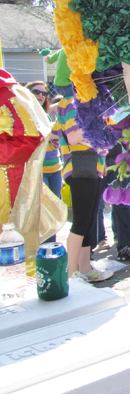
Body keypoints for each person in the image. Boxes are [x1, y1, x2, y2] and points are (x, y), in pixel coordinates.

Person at [1, 69, 66, 276]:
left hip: (10, 187)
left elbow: (32, 137)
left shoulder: (11, 95)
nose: (41, 96)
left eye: (43, 93)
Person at [52, 87, 112, 282]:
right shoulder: (72, 102)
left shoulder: (83, 102)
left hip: (91, 167)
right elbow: (74, 136)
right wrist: (103, 134)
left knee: (87, 221)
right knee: (80, 222)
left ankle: (84, 268)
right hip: (80, 168)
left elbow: (54, 134)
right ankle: (71, 275)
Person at [26, 81, 63, 201]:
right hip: (38, 171)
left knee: (55, 207)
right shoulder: (25, 116)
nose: (41, 95)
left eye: (44, 93)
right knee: (44, 208)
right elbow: (44, 135)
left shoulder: (45, 116)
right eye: (36, 92)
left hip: (55, 169)